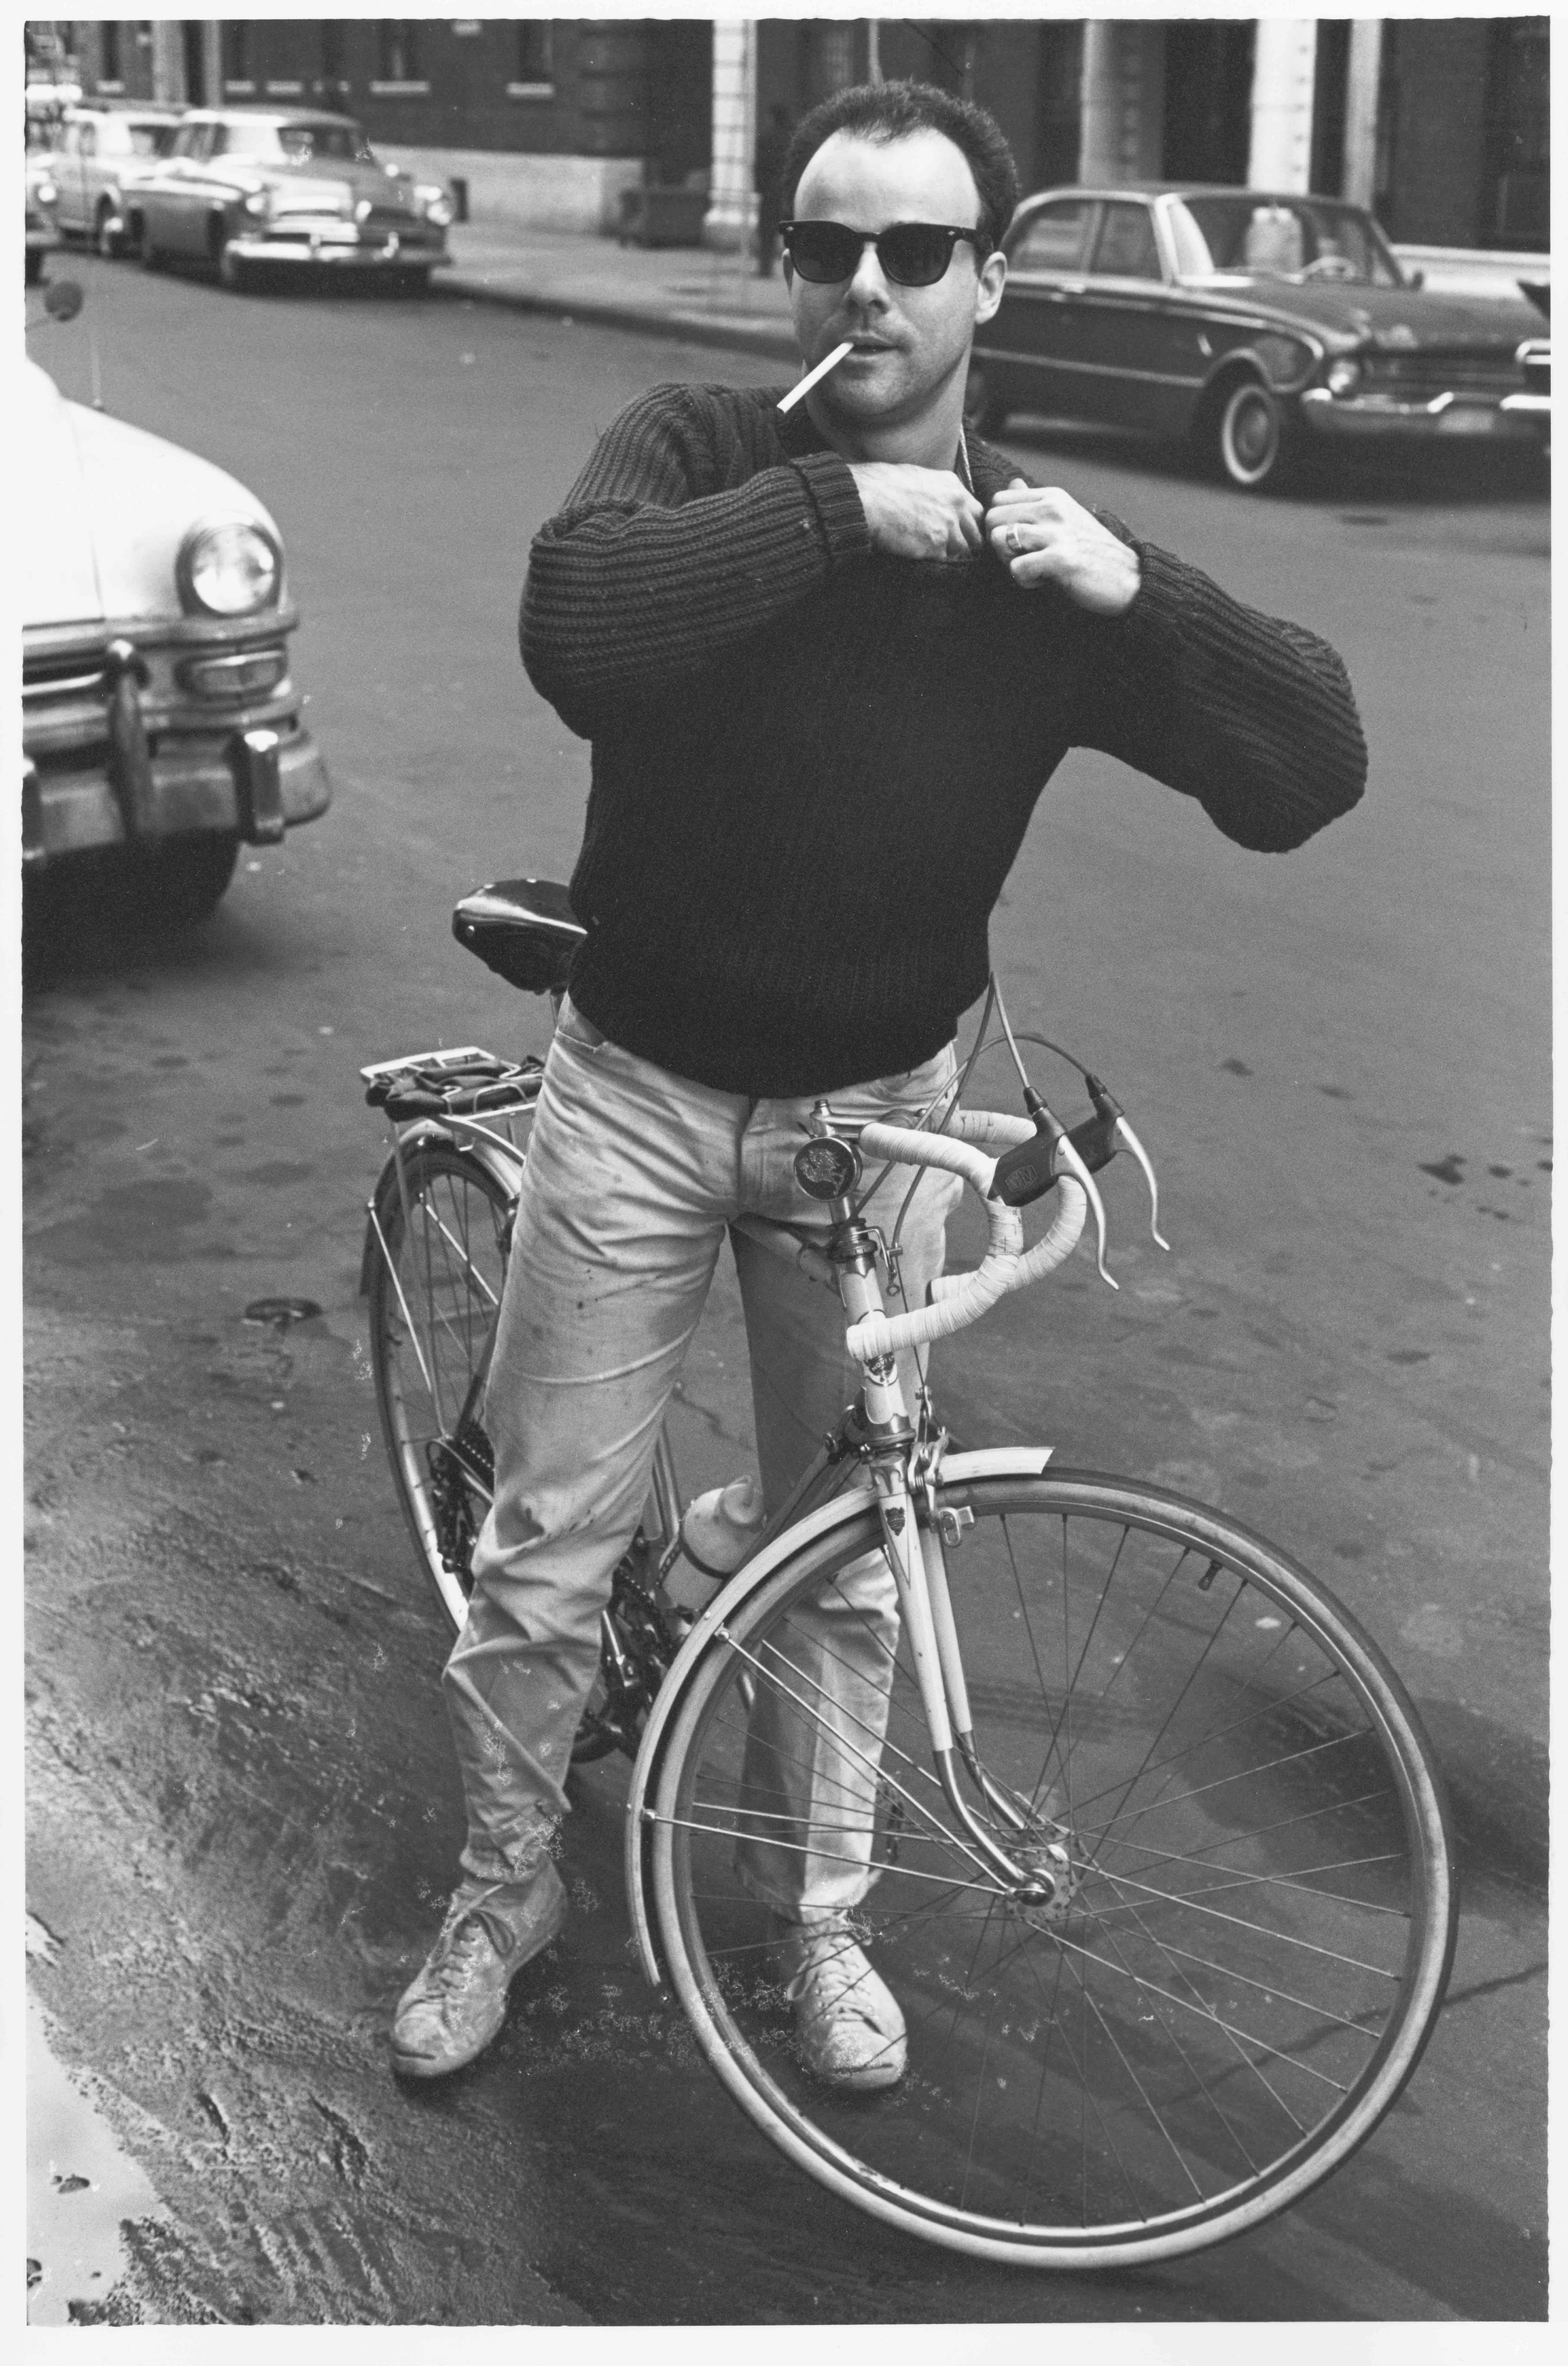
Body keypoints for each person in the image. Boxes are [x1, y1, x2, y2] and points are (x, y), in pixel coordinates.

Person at [390, 78, 1367, 2086]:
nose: (866, 283)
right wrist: (843, 507)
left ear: (986, 282)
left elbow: (1310, 771)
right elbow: (575, 625)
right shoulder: (697, 450)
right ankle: (505, 1888)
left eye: (915, 251)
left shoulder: (1041, 559)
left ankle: (818, 1927)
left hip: (872, 1125)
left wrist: (1145, 596)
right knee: (551, 1540)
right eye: (827, 245)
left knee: (839, 1561)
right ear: (783, 266)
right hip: (642, 1091)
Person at [754, 101, 792, 276]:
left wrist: (759, 187)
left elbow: (760, 166)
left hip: (770, 190)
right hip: (787, 191)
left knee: (767, 232)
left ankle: (765, 268)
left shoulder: (766, 138)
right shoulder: (792, 138)